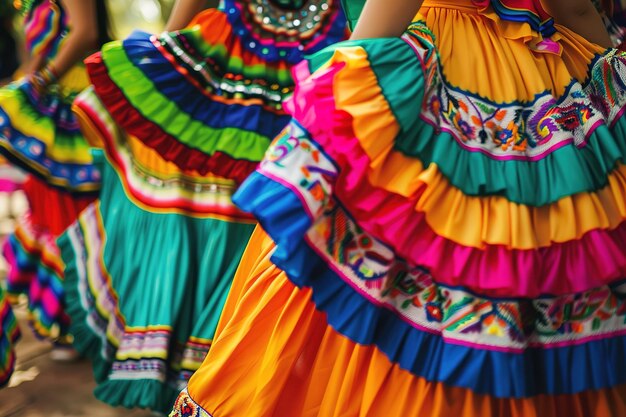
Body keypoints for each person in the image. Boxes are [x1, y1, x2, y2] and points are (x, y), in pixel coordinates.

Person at [169, 0, 626, 416]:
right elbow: (574, 6)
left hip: (443, 65)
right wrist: (613, 82)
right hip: (550, 87)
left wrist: (350, 74)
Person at [59, 0, 346, 412]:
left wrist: (170, 49)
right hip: (315, 65)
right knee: (263, 222)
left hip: (240, 65)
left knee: (224, 220)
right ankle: (226, 371)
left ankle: (206, 375)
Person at [0, 0, 109, 357]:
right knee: (48, 212)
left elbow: (86, 33)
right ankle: (74, 324)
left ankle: (86, 326)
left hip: (71, 111)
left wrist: (37, 82)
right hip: (46, 107)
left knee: (71, 218)